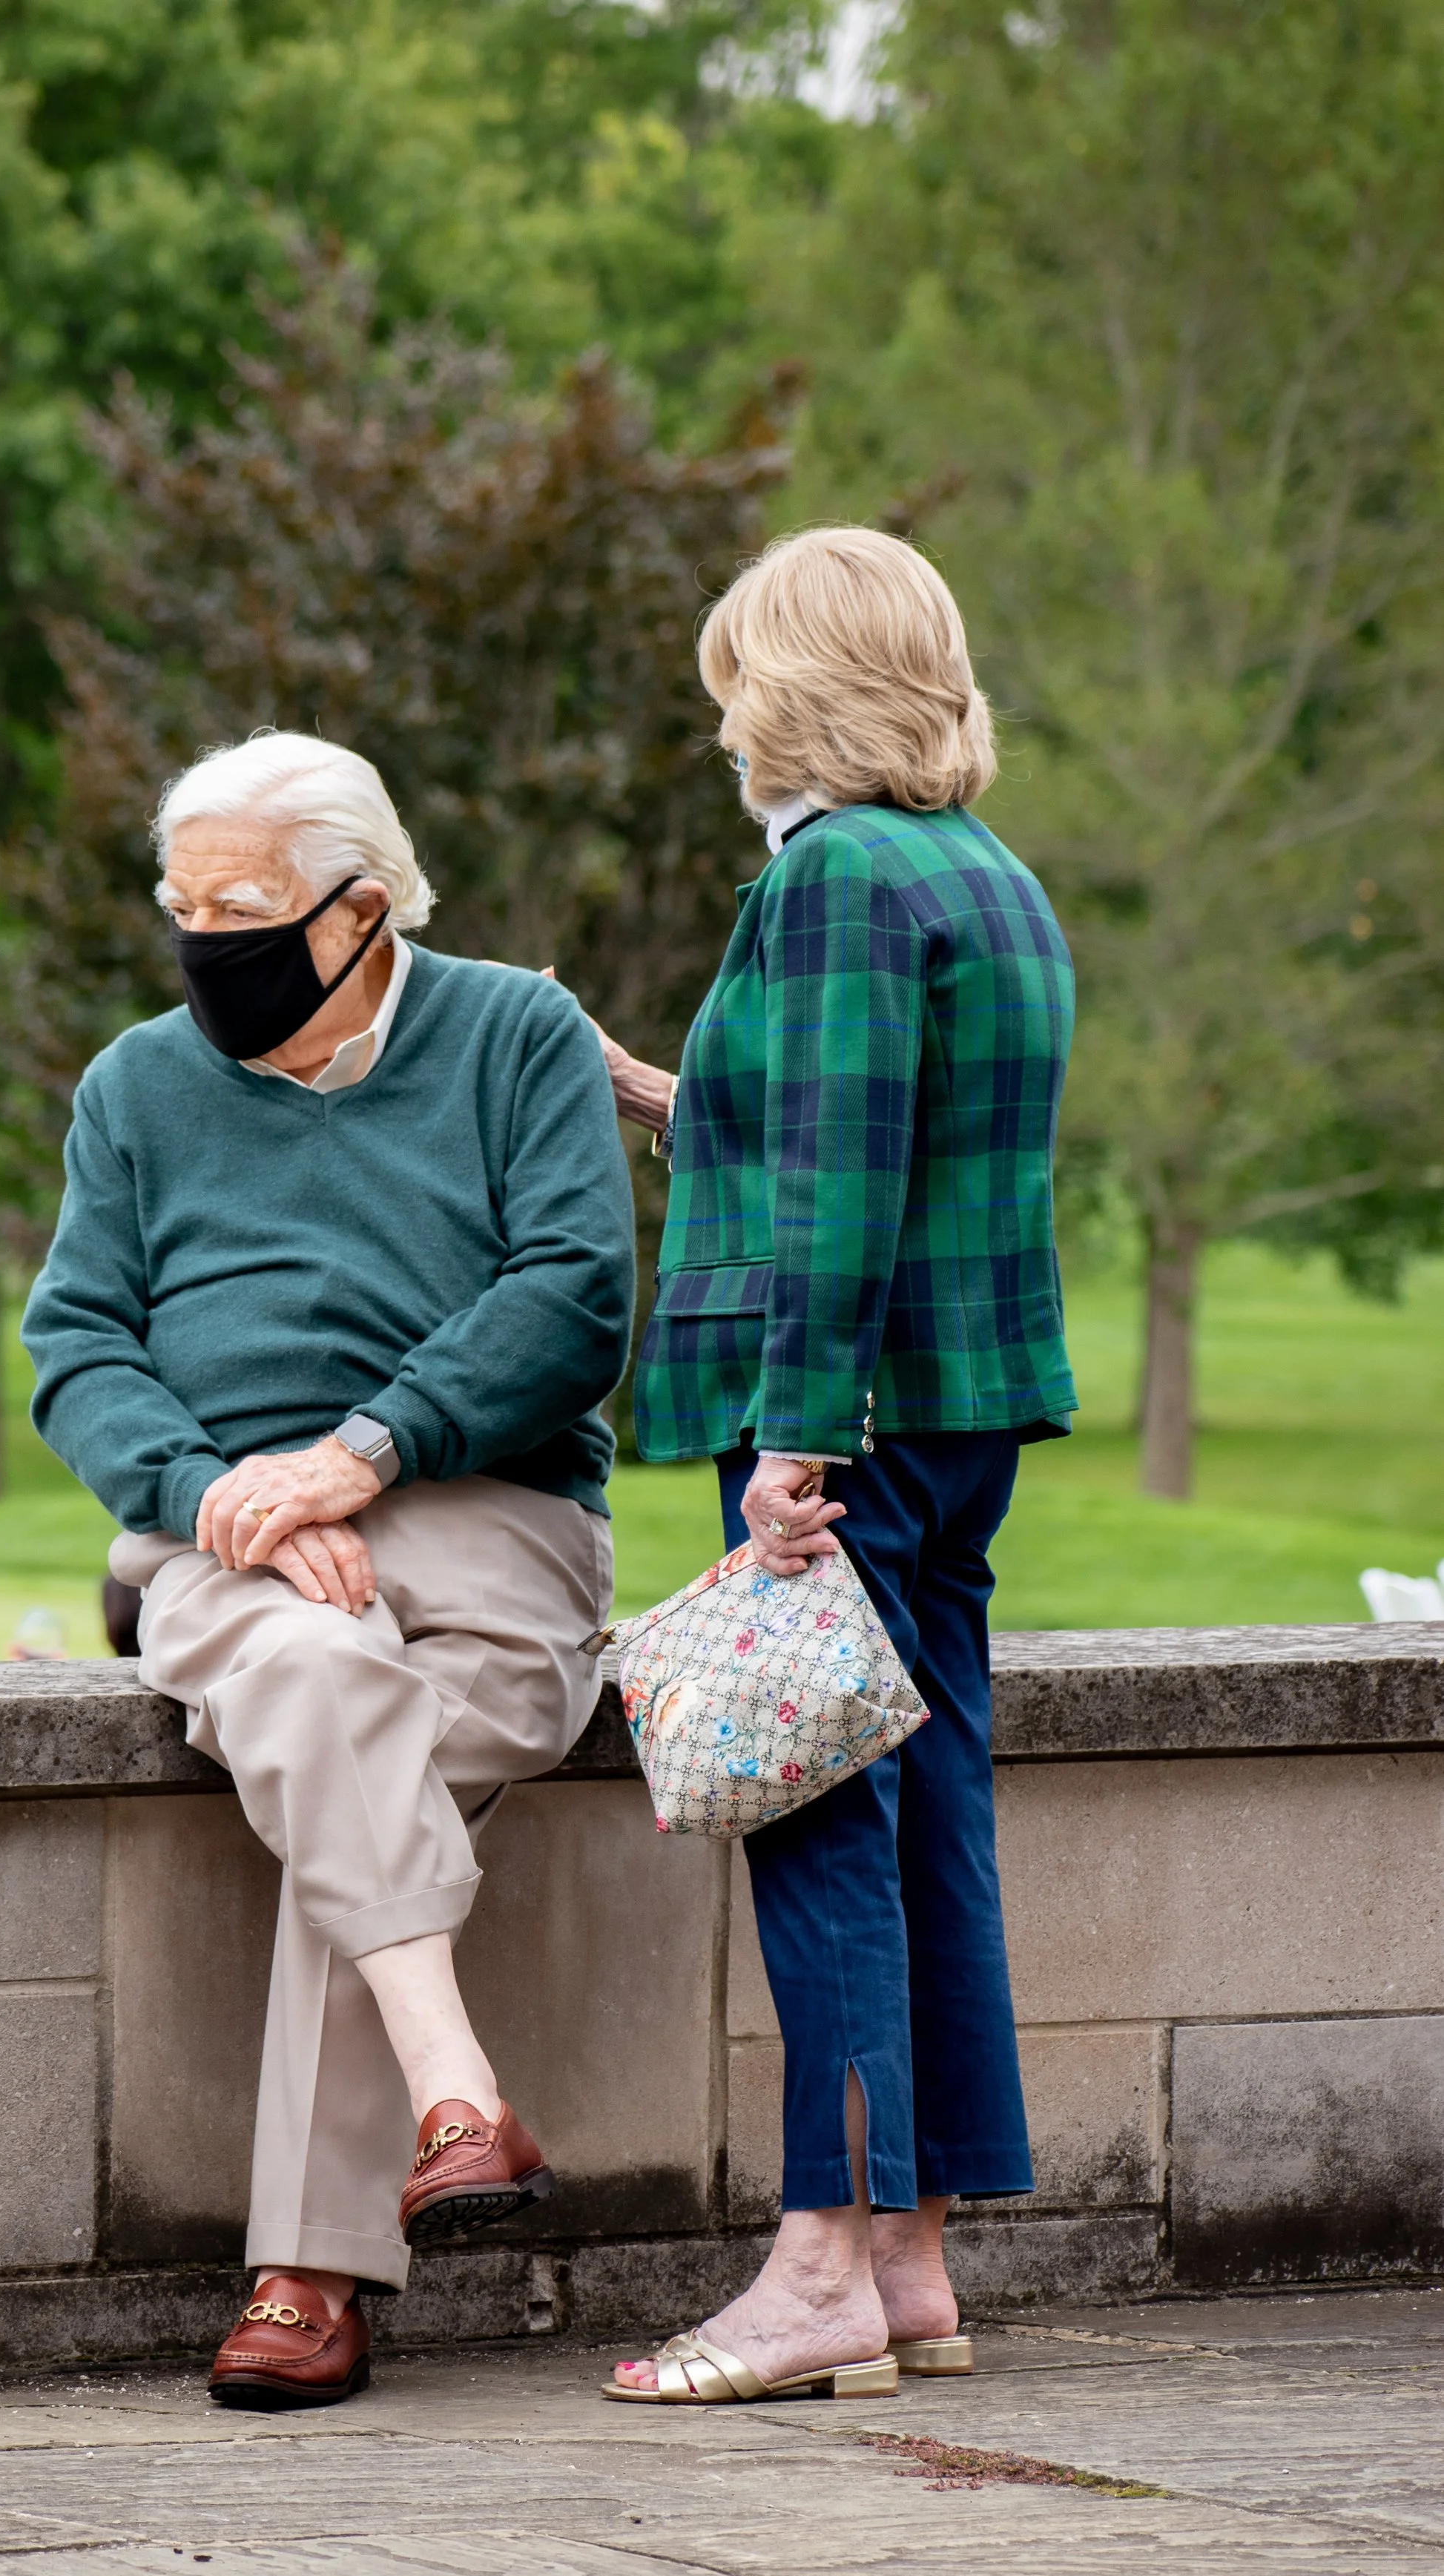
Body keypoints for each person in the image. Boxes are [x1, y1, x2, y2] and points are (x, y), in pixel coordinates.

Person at [22, 730, 634, 2411]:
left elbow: (576, 1292)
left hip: (487, 1502)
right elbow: (75, 1344)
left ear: (362, 910)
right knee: (312, 1679)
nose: (202, 933)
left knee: (364, 1746)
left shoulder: (515, 1034)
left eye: (243, 904)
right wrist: (231, 1486)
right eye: (182, 901)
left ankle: (339, 2235)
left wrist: (363, 1452)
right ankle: (409, 2141)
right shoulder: (135, 1085)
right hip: (223, 1527)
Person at [590, 527, 1077, 2406]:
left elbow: (853, 1187)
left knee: (818, 1827)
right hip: (956, 1421)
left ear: (788, 687)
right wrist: (663, 1092)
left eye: (736, 686)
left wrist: (792, 1444)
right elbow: (866, 1131)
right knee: (934, 1807)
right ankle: (913, 2259)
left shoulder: (839, 879)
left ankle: (816, 2273)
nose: (724, 725)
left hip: (843, 1431)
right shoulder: (983, 874)